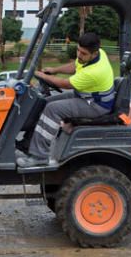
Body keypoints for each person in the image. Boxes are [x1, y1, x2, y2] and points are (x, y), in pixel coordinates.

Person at [18, 32, 115, 167]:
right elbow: (76, 66)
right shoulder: (97, 54)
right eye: (78, 50)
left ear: (94, 53)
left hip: (96, 105)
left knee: (53, 109)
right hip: (86, 96)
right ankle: (28, 144)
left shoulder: (95, 71)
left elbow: (65, 84)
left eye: (83, 53)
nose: (79, 55)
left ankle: (40, 157)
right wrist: (54, 70)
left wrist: (40, 75)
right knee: (44, 103)